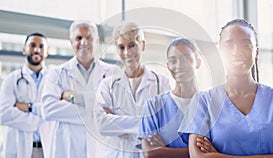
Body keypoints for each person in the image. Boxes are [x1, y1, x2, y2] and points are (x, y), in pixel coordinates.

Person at [178, 19, 273, 157]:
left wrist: (218, 155)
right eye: (229, 45)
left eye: (246, 45)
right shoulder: (203, 101)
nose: (237, 52)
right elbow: (198, 156)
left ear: (256, 52)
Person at [41, 20, 120, 158]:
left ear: (96, 41)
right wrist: (97, 109)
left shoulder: (112, 72)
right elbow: (48, 109)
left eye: (89, 37)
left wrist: (73, 98)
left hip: (102, 149)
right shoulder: (57, 73)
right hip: (67, 149)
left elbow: (118, 110)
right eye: (79, 38)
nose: (84, 42)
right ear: (71, 41)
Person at [96, 21, 171, 157]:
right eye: (121, 47)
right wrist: (147, 122)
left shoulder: (161, 83)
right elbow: (102, 124)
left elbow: (165, 126)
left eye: (132, 46)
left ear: (142, 45)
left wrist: (117, 123)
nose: (127, 52)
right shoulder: (107, 85)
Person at [138, 38, 201, 158]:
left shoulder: (210, 103)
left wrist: (165, 151)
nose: (179, 65)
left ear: (198, 62)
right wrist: (198, 152)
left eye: (185, 58)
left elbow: (220, 149)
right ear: (168, 66)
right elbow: (150, 153)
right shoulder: (154, 105)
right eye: (173, 61)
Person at [0, 33, 49, 158]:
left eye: (41, 46)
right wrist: (39, 121)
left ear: (46, 52)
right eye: (32, 45)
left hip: (47, 147)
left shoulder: (55, 80)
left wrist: (29, 107)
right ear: (24, 49)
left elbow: (58, 111)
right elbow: (3, 113)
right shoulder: (11, 79)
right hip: (20, 147)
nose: (37, 50)